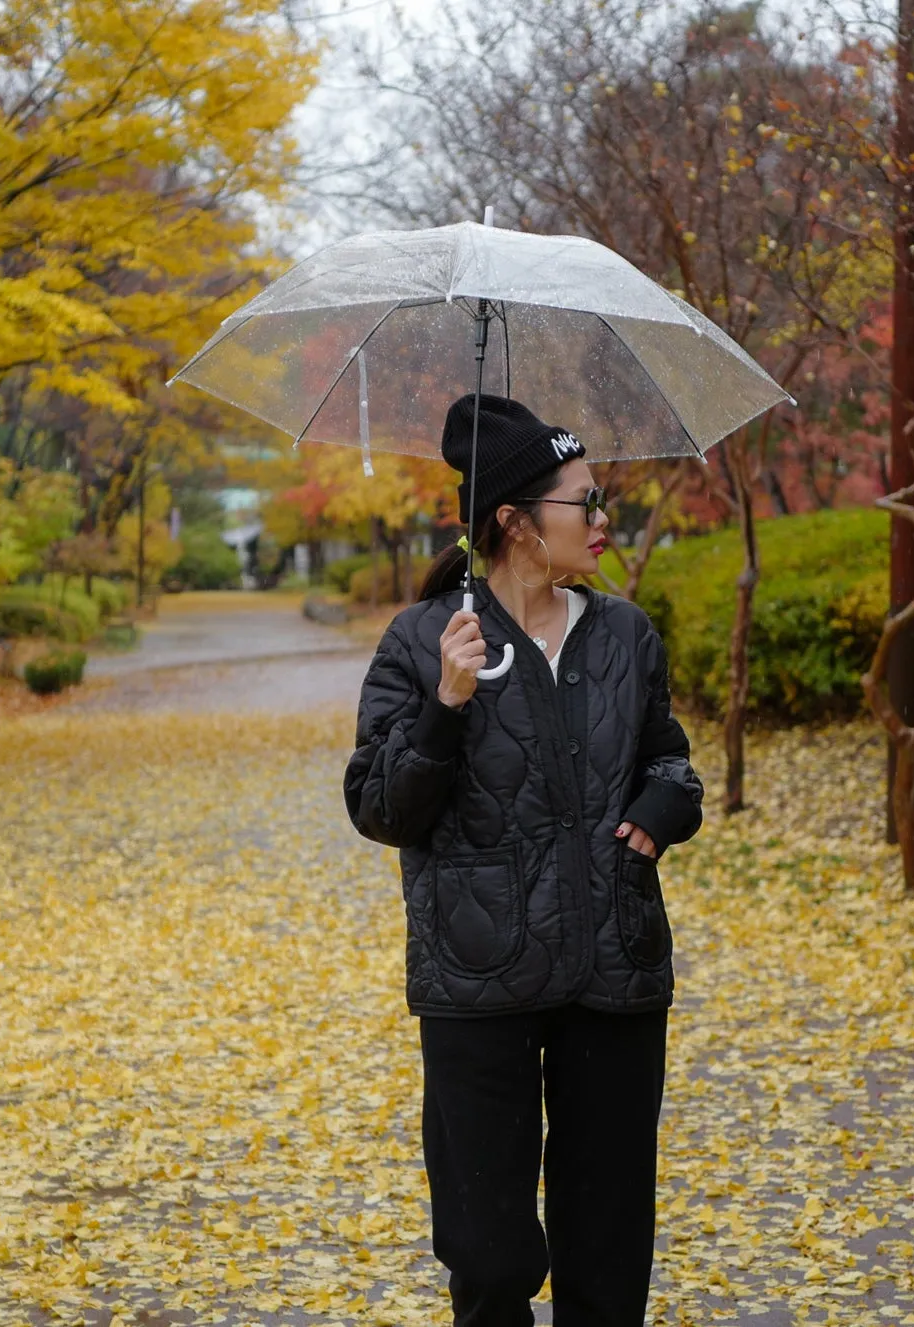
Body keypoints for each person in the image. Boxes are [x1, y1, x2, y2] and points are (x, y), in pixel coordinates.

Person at [343, 393, 706, 1326]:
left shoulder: (625, 634)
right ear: (513, 521)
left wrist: (665, 806)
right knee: (491, 1254)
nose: (599, 519)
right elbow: (381, 807)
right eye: (580, 502)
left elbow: (667, 754)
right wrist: (445, 704)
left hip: (611, 962)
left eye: (598, 499)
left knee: (609, 1247)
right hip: (478, 975)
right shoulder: (424, 642)